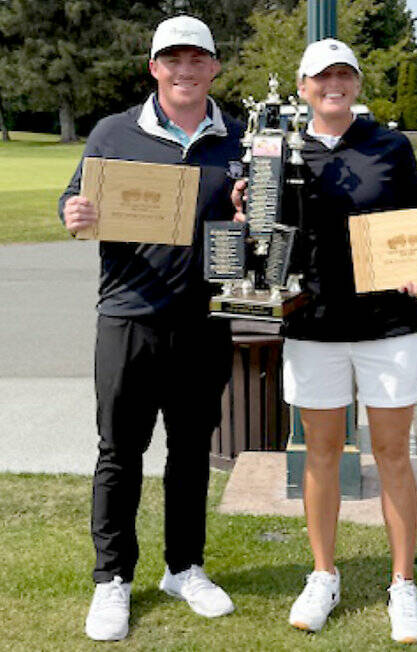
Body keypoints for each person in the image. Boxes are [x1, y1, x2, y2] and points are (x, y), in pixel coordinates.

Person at [232, 38, 417, 644]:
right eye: (323, 77)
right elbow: (260, 238)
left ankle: (403, 585)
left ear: (357, 84)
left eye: (344, 75)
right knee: (320, 454)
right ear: (303, 87)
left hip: (388, 322)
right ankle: (324, 574)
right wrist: (247, 216)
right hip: (312, 320)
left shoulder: (390, 145)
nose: (334, 85)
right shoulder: (275, 148)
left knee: (393, 454)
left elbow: (416, 219)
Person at [59, 15, 243, 642]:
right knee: (120, 453)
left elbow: (256, 230)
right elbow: (75, 204)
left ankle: (184, 568)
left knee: (190, 453)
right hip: (129, 315)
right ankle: (112, 579)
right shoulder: (115, 131)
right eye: (173, 60)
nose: (185, 70)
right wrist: (73, 211)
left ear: (215, 67)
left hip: (203, 321)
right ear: (154, 68)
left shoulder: (241, 139)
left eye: (197, 59)